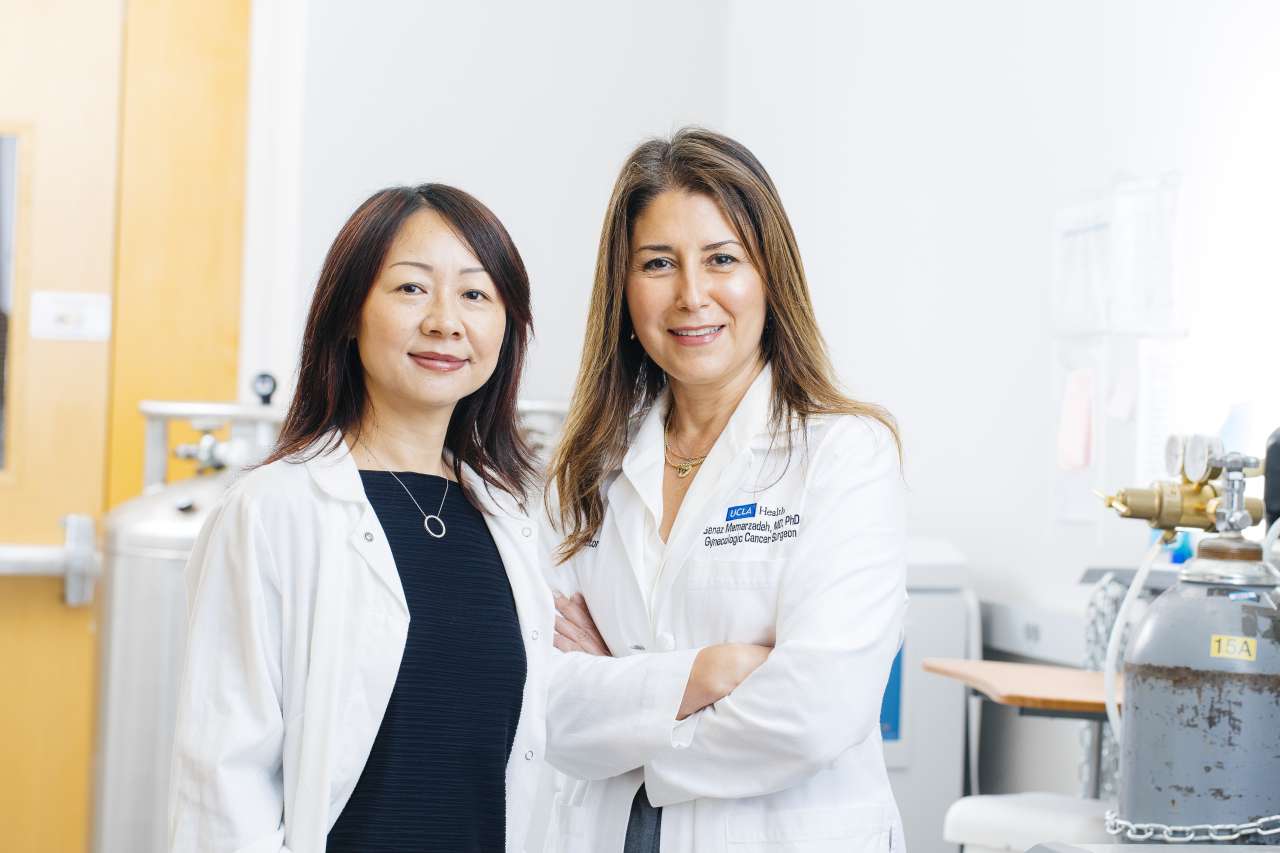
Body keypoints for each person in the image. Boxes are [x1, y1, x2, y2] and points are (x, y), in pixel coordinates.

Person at [543, 127, 908, 853]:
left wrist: (630, 701)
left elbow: (816, 709)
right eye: (657, 263)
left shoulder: (843, 454)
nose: (691, 295)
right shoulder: (586, 465)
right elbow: (545, 707)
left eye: (721, 259)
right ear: (622, 287)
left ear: (768, 274)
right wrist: (713, 671)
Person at [169, 184, 552, 853]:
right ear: (349, 313)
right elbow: (221, 781)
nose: (444, 321)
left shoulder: (510, 517)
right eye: (410, 289)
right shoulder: (275, 510)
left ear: (506, 325)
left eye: (475, 294)